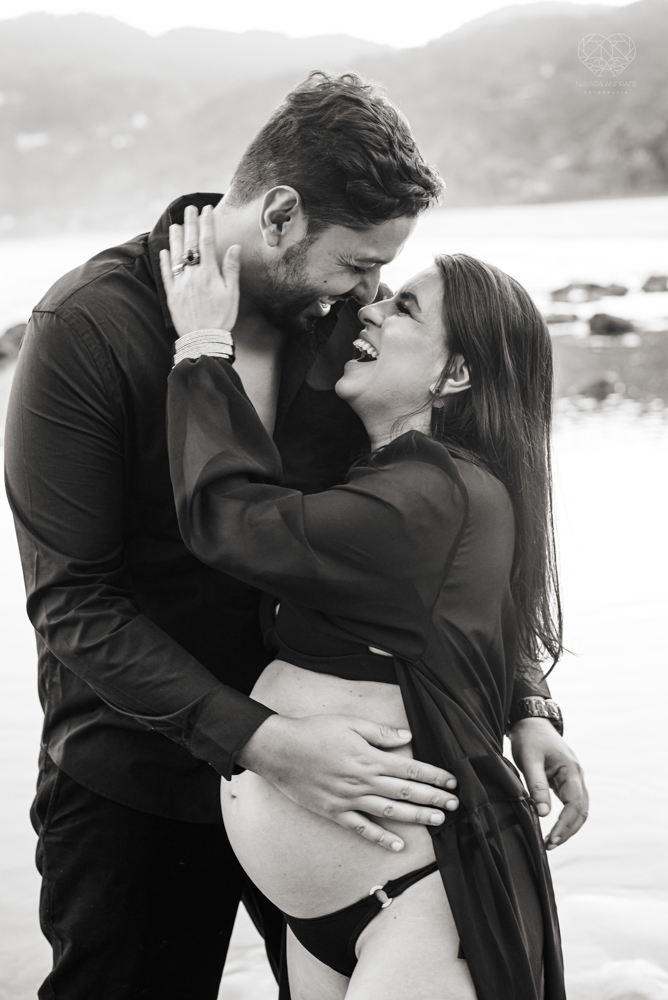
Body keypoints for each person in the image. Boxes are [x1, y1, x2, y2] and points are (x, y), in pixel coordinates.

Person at [4, 72, 586, 999]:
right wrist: (263, 741)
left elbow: (426, 555)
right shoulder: (89, 329)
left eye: (387, 275)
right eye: (360, 265)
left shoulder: (347, 337)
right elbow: (72, 603)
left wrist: (523, 698)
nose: (373, 291)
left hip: (355, 813)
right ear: (279, 215)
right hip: (138, 787)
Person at [163, 212, 572, 999]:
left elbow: (232, 524)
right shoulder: (416, 481)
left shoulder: (433, 492)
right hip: (349, 913)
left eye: (407, 308)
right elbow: (471, 627)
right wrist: (530, 702)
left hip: (417, 907)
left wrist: (202, 349)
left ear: (453, 377)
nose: (374, 307)